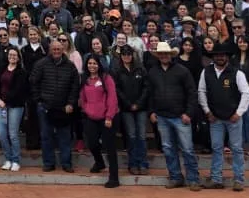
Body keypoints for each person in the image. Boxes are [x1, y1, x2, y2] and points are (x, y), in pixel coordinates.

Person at [146, 41, 201, 190]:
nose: (164, 56)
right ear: (158, 55)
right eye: (161, 54)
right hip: (162, 117)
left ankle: (193, 179)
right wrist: (151, 111)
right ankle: (175, 177)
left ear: (170, 55)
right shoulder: (152, 72)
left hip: (180, 116)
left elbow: (192, 92)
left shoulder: (182, 71)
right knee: (168, 149)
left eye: (166, 53)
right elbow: (149, 94)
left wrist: (189, 113)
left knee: (187, 149)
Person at [197, 43, 249, 191]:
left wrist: (239, 113)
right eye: (217, 55)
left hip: (233, 118)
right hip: (215, 118)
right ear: (213, 57)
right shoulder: (206, 72)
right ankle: (216, 179)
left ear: (227, 57)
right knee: (216, 148)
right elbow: (201, 92)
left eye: (222, 55)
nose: (220, 57)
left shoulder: (237, 73)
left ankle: (239, 180)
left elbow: (247, 94)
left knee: (236, 148)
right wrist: (207, 111)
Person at [30, 38, 81, 173]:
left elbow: (75, 86)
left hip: (64, 108)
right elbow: (33, 82)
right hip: (45, 107)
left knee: (65, 137)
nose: (56, 51)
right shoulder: (41, 64)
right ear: (50, 50)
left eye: (59, 49)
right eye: (54, 49)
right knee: (46, 136)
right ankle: (48, 163)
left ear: (63, 49)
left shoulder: (70, 66)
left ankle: (66, 163)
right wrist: (38, 101)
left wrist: (71, 103)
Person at [78, 54, 120, 188]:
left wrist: (109, 116)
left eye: (94, 63)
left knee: (110, 147)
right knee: (92, 143)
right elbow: (82, 98)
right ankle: (99, 162)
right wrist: (86, 109)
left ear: (99, 65)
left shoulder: (106, 78)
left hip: (107, 117)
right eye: (90, 63)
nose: (92, 66)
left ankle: (114, 177)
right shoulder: (84, 79)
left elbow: (112, 98)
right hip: (91, 117)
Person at [113, 44, 149, 176]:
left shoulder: (141, 69)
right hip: (126, 108)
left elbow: (146, 87)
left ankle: (143, 163)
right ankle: (133, 164)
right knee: (131, 136)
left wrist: (138, 103)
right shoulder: (117, 70)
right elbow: (117, 89)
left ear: (132, 55)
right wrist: (128, 104)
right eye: (124, 54)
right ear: (121, 55)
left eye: (129, 54)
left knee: (142, 136)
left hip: (141, 107)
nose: (127, 56)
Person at [0, 45, 29, 173]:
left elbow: (17, 90)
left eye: (15, 55)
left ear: (18, 57)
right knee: (1, 133)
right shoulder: (2, 69)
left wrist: (5, 100)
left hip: (15, 106)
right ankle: (8, 159)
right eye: (10, 55)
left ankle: (16, 160)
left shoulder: (21, 72)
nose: (12, 57)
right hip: (1, 105)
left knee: (13, 134)